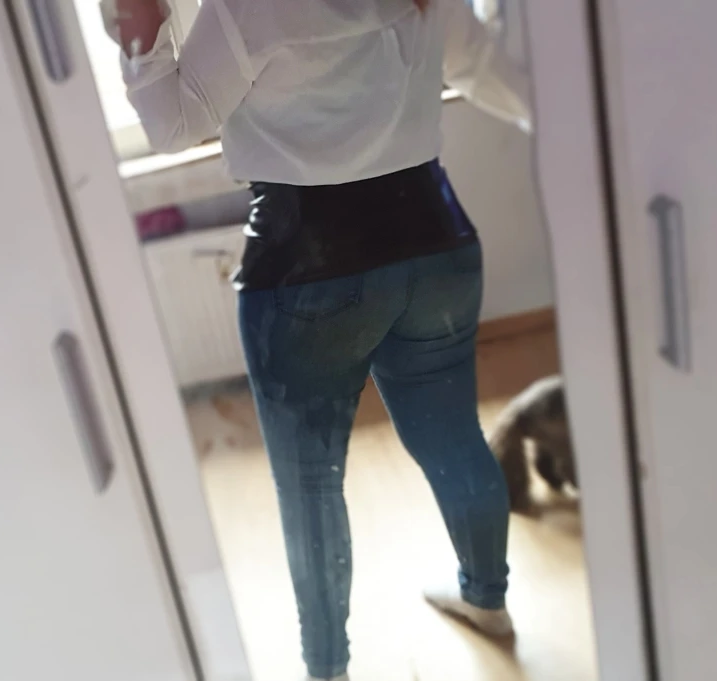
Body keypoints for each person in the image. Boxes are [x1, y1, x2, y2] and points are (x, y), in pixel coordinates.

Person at [103, 1, 531, 679]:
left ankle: (327, 668)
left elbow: (172, 125)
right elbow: (485, 69)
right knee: (455, 440)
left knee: (310, 489)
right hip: (436, 245)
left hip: (306, 270)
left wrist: (136, 23)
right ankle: (488, 600)